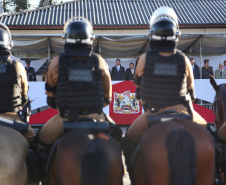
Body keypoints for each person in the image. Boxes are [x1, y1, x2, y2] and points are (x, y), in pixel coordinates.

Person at [122, 7, 207, 185]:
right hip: (184, 114)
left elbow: (138, 90)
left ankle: (135, 178)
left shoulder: (144, 59)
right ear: (176, 36)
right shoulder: (183, 59)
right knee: (211, 137)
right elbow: (191, 93)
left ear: (151, 35)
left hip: (153, 115)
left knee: (128, 141)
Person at [33, 17, 122, 183]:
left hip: (65, 119)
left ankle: (44, 178)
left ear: (66, 38)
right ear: (90, 39)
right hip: (97, 117)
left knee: (39, 143)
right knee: (119, 137)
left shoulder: (56, 63)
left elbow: (50, 97)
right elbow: (107, 98)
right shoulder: (100, 62)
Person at [0, 23, 36, 144]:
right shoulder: (18, 66)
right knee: (36, 141)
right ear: (9, 45)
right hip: (12, 119)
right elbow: (24, 96)